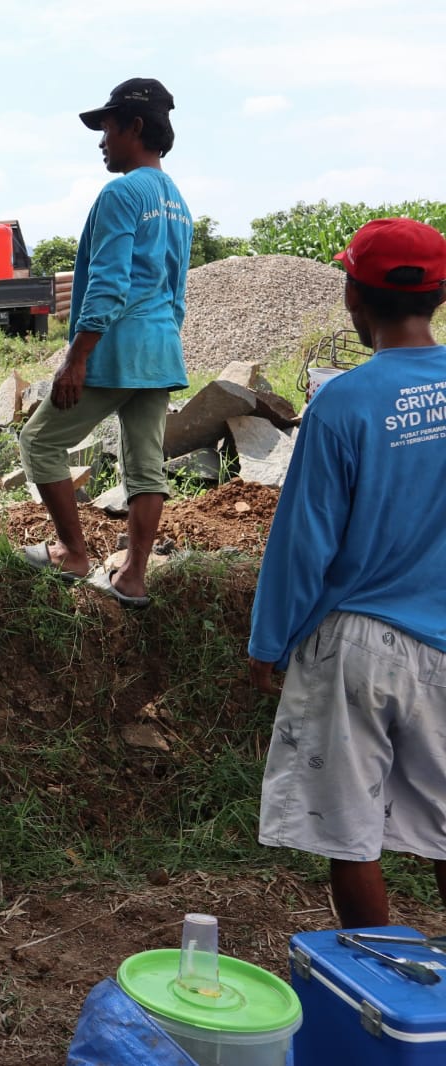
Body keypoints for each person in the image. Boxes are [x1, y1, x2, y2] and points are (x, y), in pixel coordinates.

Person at [250, 218, 446, 929]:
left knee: (349, 829)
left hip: (359, 645)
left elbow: (304, 544)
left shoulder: (344, 401)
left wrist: (269, 643)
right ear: (442, 293)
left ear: (351, 297)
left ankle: (376, 999)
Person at [17, 78, 193, 608]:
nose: (101, 142)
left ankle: (73, 553)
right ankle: (133, 576)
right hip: (162, 350)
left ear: (135, 127)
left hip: (116, 348)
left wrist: (78, 355)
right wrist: (161, 342)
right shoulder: (178, 202)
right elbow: (177, 290)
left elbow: (110, 281)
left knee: (39, 441)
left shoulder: (122, 192)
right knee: (145, 465)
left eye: (108, 128)